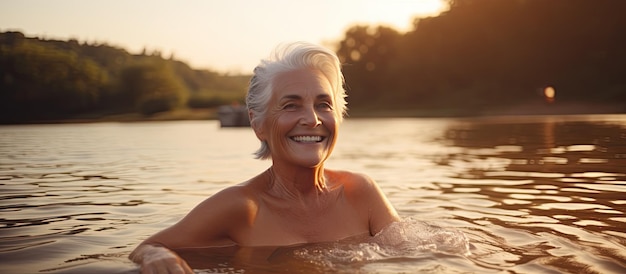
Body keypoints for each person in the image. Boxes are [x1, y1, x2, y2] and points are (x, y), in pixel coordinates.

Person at [129, 42, 400, 273]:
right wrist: (157, 256)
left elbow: (417, 250)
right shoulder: (242, 208)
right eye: (291, 105)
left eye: (323, 105)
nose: (312, 119)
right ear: (258, 123)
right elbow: (148, 247)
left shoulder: (360, 192)